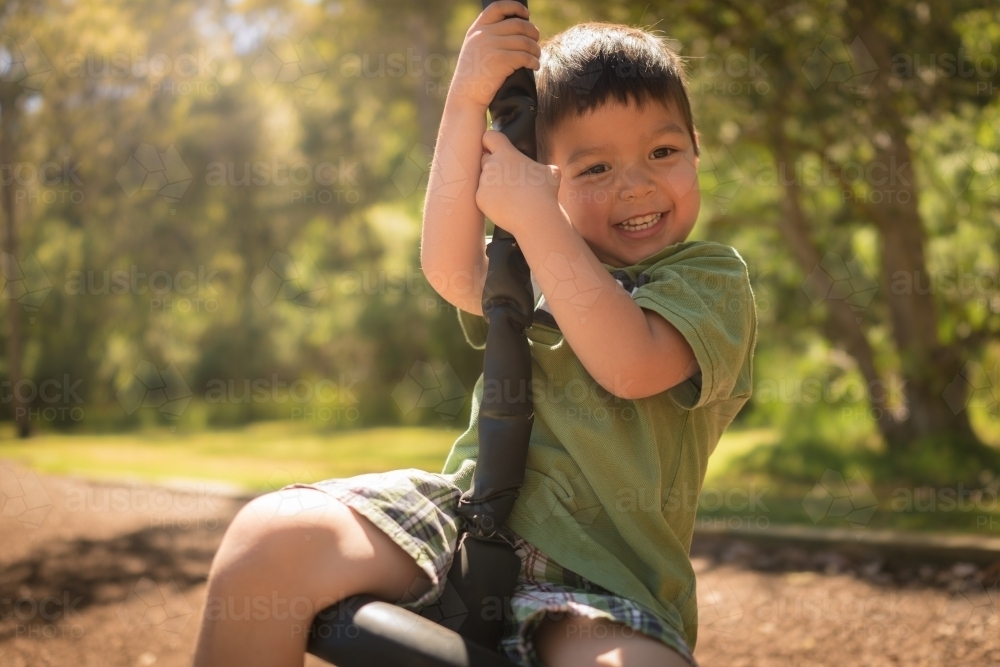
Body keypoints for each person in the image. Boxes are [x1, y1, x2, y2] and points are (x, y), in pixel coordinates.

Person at [193, 2, 756, 666]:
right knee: (267, 541)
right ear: (549, 179)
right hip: (465, 526)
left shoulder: (710, 279)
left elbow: (629, 362)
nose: (635, 184)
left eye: (662, 151)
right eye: (595, 168)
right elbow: (451, 267)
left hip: (601, 578)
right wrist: (466, 103)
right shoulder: (535, 258)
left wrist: (537, 219)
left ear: (697, 152)